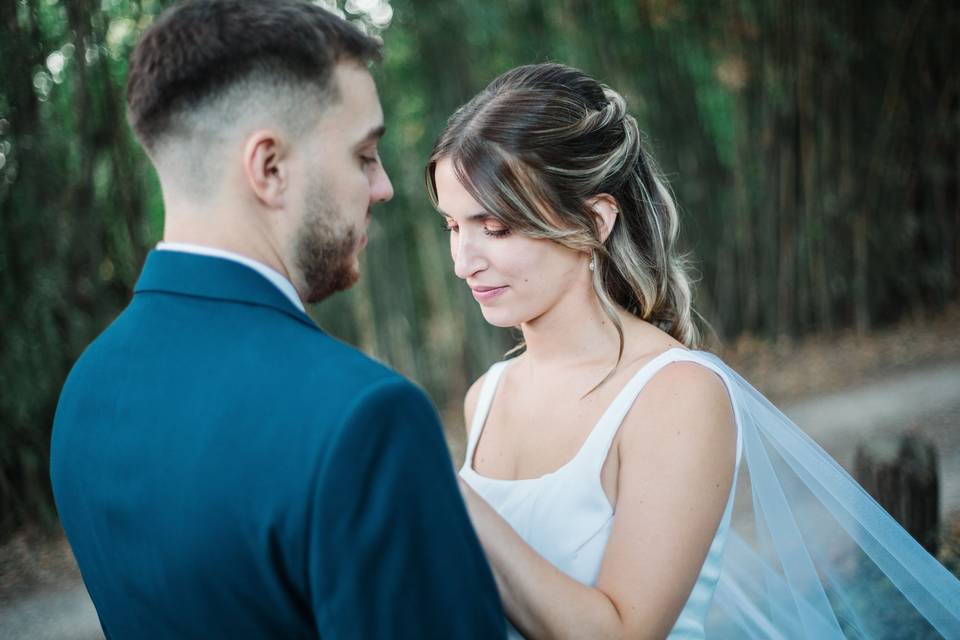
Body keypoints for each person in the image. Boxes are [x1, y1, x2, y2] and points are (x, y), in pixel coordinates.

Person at [426, 62, 960, 639]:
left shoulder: (676, 394)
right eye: (453, 226)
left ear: (594, 221)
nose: (464, 261)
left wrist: (447, 492)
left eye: (496, 227)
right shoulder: (487, 396)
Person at [49, 2, 504, 638]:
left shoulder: (87, 390)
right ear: (269, 168)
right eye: (364, 155)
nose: (384, 188)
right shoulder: (365, 419)